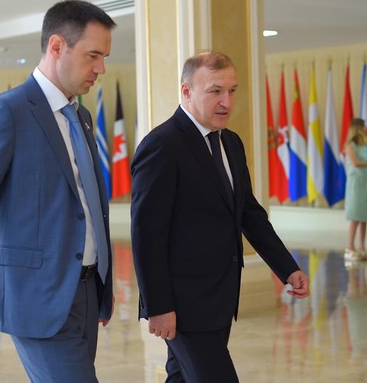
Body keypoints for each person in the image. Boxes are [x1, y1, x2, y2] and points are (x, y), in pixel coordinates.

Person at [0, 0, 116, 382]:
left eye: (104, 58)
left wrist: (102, 287)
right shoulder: (8, 112)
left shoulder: (81, 117)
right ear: (56, 46)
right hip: (36, 298)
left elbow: (86, 205)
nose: (100, 68)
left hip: (85, 292)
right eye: (93, 56)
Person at [130, 51, 309, 382]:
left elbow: (248, 213)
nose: (227, 101)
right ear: (186, 91)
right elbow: (146, 234)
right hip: (183, 303)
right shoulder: (162, 145)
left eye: (232, 90)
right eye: (215, 91)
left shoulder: (232, 143)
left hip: (220, 297)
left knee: (182, 377)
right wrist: (158, 305)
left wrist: (287, 267)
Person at [343, 118, 367, 262]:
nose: (365, 129)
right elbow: (356, 163)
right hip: (356, 184)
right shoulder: (350, 145)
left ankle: (362, 247)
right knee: (355, 216)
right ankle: (350, 247)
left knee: (364, 217)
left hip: (365, 183)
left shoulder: (363, 145)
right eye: (363, 126)